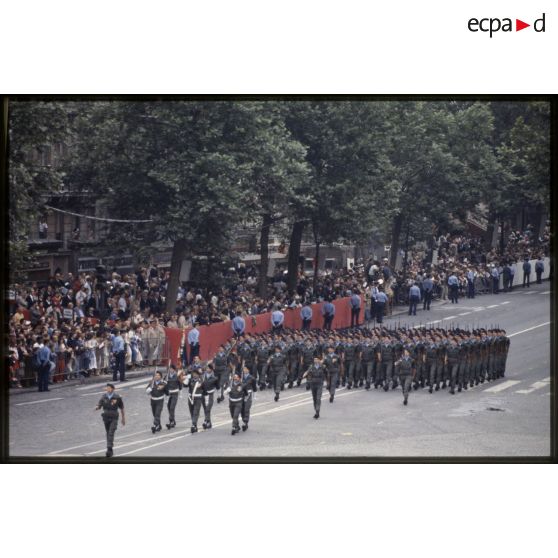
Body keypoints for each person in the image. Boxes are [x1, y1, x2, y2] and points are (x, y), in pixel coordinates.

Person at [95, 383, 125, 457]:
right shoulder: (104, 397)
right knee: (108, 432)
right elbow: (100, 404)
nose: (108, 389)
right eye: (107, 388)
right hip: (106, 417)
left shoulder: (117, 397)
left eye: (109, 388)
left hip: (114, 417)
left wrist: (123, 418)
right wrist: (97, 407)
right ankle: (110, 447)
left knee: (111, 432)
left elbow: (122, 408)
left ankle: (109, 449)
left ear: (113, 389)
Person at [185, 368, 204, 433]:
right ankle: (194, 423)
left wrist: (201, 385)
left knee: (196, 411)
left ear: (198, 375)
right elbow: (185, 385)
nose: (194, 375)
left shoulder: (201, 380)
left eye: (196, 374)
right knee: (192, 412)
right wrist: (186, 379)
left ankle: (193, 425)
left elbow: (204, 387)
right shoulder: (190, 380)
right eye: (193, 374)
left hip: (198, 398)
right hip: (190, 398)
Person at [164, 364, 182, 429]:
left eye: (171, 369)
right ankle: (173, 421)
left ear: (174, 369)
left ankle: (171, 421)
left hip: (175, 393)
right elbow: (164, 384)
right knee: (169, 407)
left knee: (172, 407)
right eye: (169, 369)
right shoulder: (166, 376)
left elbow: (180, 385)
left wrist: (181, 393)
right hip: (169, 394)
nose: (170, 370)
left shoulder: (177, 376)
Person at [201, 364, 218, 430]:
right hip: (204, 394)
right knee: (206, 409)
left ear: (211, 369)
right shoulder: (203, 375)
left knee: (208, 408)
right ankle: (209, 423)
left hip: (210, 394)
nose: (207, 369)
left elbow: (217, 386)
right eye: (206, 368)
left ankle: (206, 421)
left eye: (208, 368)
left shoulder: (214, 376)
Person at [241, 365, 257, 431]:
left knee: (246, 408)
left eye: (246, 369)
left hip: (248, 394)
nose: (244, 370)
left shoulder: (252, 378)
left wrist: (254, 396)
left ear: (248, 370)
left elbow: (254, 388)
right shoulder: (240, 377)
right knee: (241, 409)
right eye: (243, 369)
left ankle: (245, 422)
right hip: (241, 394)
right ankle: (244, 420)